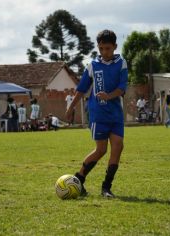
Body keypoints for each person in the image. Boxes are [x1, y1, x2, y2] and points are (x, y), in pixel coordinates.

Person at [66, 29, 128, 198]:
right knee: (101, 150)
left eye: (107, 48)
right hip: (98, 113)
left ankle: (106, 188)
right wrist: (71, 107)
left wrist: (109, 96)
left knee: (118, 147)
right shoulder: (92, 65)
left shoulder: (121, 63)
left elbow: (122, 88)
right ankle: (78, 180)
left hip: (115, 114)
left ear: (115, 46)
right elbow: (81, 89)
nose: (104, 52)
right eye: (101, 48)